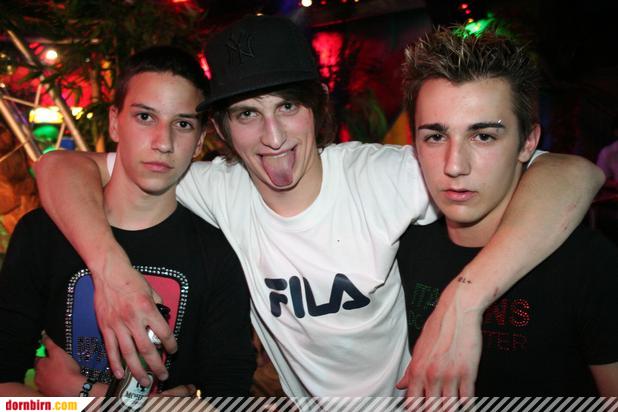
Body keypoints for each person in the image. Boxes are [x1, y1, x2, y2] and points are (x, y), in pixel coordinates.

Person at [34, 15, 604, 397]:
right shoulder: (217, 187)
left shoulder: (380, 176)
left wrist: (464, 300)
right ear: (222, 131)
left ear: (316, 108)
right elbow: (57, 166)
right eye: (247, 114)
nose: (272, 136)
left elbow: (573, 172)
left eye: (288, 106)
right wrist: (110, 271)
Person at [0, 46, 255, 396]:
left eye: (182, 124)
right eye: (145, 117)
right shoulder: (42, 234)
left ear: (199, 142)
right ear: (114, 122)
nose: (163, 142)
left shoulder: (218, 254)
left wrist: (84, 396)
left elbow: (229, 397)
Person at [397, 26, 618, 395]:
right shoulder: (397, 252)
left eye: (483, 136)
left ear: (528, 142)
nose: (455, 165)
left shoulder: (589, 265)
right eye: (435, 136)